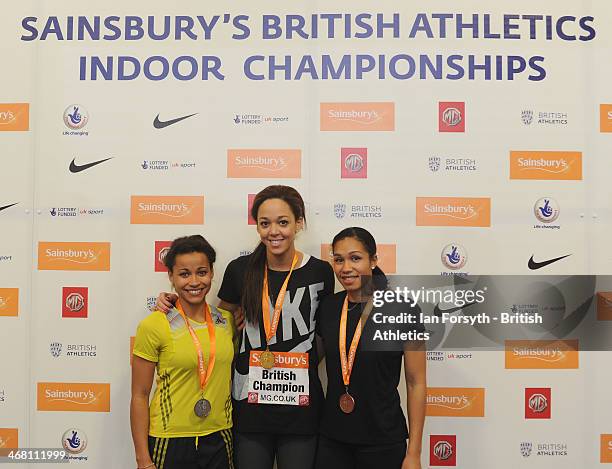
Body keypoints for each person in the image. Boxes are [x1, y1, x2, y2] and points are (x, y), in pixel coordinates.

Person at [156, 185, 335, 469]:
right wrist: (176, 302)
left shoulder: (320, 272)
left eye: (283, 222)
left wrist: (297, 363)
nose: (273, 231)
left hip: (301, 407)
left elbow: (327, 331)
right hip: (250, 406)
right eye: (265, 223)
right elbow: (216, 325)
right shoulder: (240, 270)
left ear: (299, 223)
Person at [315, 227, 426, 469]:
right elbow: (309, 359)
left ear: (373, 260)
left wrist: (414, 453)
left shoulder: (402, 309)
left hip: (383, 441)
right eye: (339, 260)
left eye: (356, 258)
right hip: (332, 440)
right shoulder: (329, 307)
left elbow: (416, 382)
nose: (346, 268)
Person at [131, 235, 236, 469]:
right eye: (184, 274)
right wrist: (143, 459)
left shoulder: (225, 321)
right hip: (170, 439)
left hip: (220, 436)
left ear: (211, 273)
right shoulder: (154, 325)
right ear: (171, 276)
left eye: (201, 272)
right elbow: (139, 395)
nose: (194, 281)